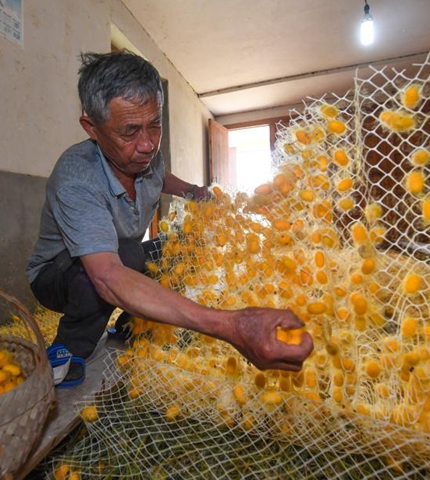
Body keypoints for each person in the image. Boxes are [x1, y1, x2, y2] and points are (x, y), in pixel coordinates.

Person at [26, 50, 313, 384]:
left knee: (177, 248)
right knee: (128, 255)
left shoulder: (143, 155)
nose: (148, 144)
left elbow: (160, 175)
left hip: (114, 259)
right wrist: (230, 325)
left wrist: (194, 191)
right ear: (92, 127)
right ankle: (68, 349)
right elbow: (106, 276)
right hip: (56, 276)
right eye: (130, 131)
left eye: (155, 125)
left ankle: (134, 322)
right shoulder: (76, 178)